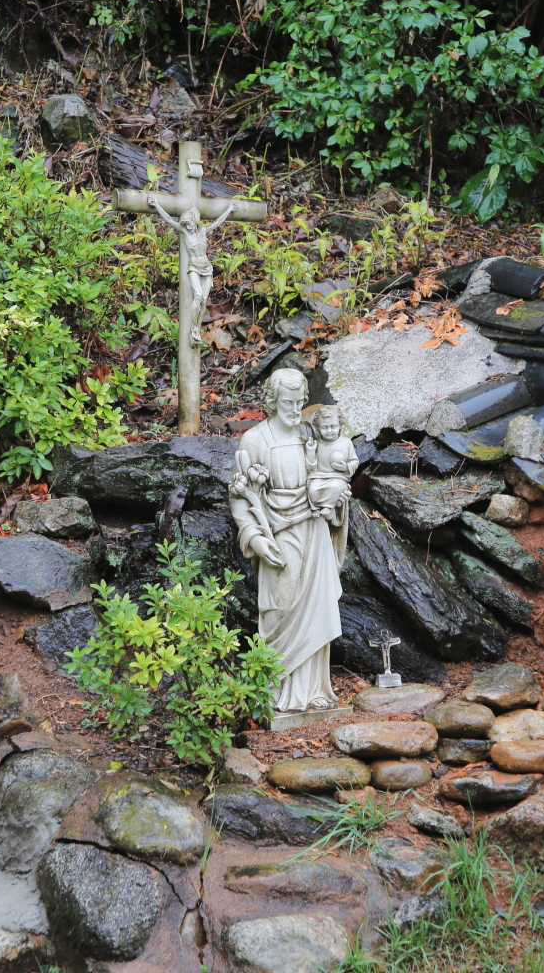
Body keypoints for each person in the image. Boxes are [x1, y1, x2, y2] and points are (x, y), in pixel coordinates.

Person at [228, 370, 351, 713]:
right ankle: (276, 690)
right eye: (288, 403)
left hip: (314, 530)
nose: (296, 410)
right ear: (271, 402)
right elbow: (239, 497)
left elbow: (330, 476)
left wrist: (337, 500)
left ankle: (313, 691)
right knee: (280, 606)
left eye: (300, 403)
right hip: (279, 533)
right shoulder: (254, 440)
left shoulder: (309, 434)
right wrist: (254, 537)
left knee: (319, 606)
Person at [145, 194, 235, 343]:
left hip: (206, 268)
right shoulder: (185, 232)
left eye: (190, 223)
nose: (188, 226)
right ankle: (193, 327)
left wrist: (229, 209)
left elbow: (218, 221)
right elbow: (168, 219)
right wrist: (156, 205)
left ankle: (197, 328)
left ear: (194, 221)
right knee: (197, 295)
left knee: (204, 300)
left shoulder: (203, 230)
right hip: (194, 267)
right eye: (186, 224)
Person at [304, 405, 358, 526]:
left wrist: (345, 467)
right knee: (312, 488)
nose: (329, 431)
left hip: (338, 478)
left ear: (340, 425)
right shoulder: (317, 443)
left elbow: (354, 461)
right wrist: (311, 452)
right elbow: (310, 467)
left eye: (333, 426)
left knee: (336, 486)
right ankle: (316, 507)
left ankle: (329, 507)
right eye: (325, 427)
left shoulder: (346, 443)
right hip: (319, 477)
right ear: (318, 427)